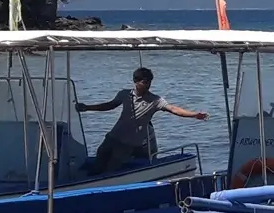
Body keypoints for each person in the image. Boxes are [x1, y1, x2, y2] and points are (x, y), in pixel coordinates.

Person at [78, 67, 208, 174]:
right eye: (144, 82)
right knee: (100, 156)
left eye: (149, 82)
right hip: (113, 136)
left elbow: (173, 109)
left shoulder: (155, 100)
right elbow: (109, 105)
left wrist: (195, 115)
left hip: (128, 143)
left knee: (112, 167)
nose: (148, 85)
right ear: (136, 81)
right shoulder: (124, 94)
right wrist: (88, 107)